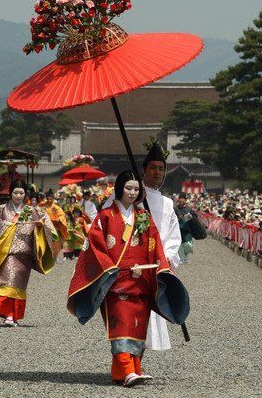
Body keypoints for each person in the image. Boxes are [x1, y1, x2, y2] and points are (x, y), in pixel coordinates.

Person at [67, 170, 171, 386]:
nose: (132, 193)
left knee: (137, 324)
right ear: (119, 189)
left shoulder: (144, 217)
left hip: (140, 280)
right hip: (115, 281)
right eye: (128, 188)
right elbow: (94, 246)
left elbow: (156, 245)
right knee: (121, 324)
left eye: (136, 189)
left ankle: (127, 371)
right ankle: (128, 370)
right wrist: (109, 268)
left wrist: (162, 267)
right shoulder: (105, 217)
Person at [0, 180, 57, 327]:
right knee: (8, 281)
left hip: (25, 252)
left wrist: (39, 226)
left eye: (21, 193)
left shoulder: (33, 211)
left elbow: (48, 227)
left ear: (26, 194)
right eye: (15, 192)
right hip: (6, 252)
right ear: (10, 193)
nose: (18, 195)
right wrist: (7, 226)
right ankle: (9, 315)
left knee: (19, 285)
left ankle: (13, 315)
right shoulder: (1, 209)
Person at [141, 139, 182, 353]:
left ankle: (136, 362)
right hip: (135, 266)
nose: (157, 173)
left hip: (157, 265)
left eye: (161, 169)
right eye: (153, 168)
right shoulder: (131, 197)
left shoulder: (167, 203)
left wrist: (165, 258)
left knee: (152, 313)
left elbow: (174, 237)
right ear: (144, 170)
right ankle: (127, 362)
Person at [175, 193, 207, 263]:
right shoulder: (176, 209)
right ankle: (180, 258)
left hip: (187, 229)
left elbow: (195, 217)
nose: (180, 200)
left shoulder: (189, 209)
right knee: (179, 244)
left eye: (182, 199)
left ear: (185, 200)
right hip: (178, 229)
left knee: (187, 244)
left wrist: (192, 217)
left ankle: (186, 257)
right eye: (180, 199)